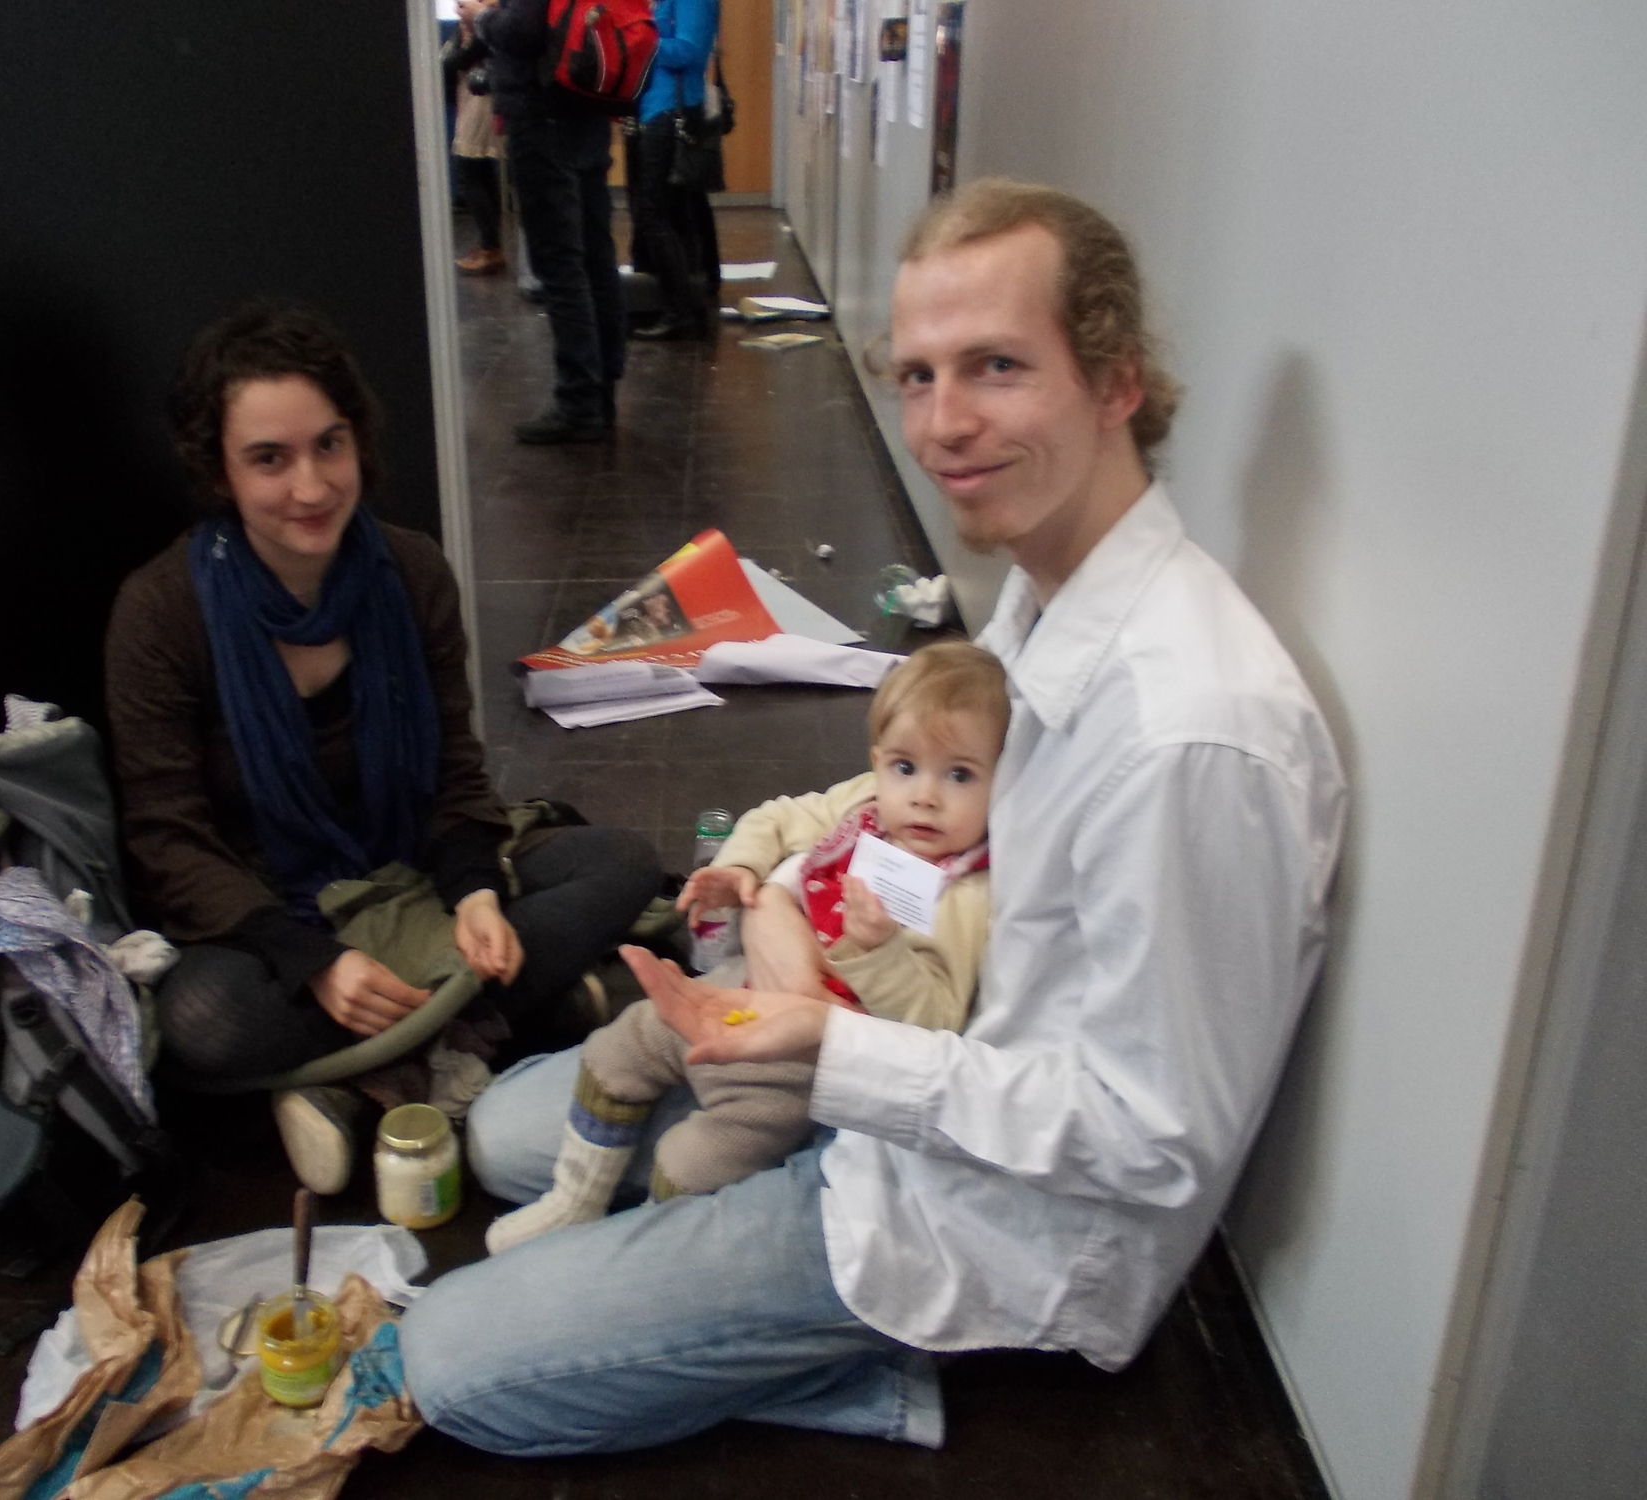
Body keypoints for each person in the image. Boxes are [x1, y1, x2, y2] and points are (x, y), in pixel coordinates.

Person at [398, 179, 1346, 1454]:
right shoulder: (1043, 607)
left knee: (450, 1368)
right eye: (915, 376)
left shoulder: (1191, 736)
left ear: (1115, 380)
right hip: (914, 1057)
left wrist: (825, 1051)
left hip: (987, 1220)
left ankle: (906, 1367)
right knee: (509, 1135)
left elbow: (1149, 1143)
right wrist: (786, 899)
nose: (941, 425)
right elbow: (913, 836)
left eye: (995, 367)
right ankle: (728, 1235)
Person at [104, 301, 662, 1192]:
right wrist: (314, 964)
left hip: (409, 873)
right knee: (201, 1020)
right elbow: (168, 841)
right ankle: (478, 1027)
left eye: (330, 444)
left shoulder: (411, 572)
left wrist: (476, 888)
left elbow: (454, 769)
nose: (313, 486)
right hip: (267, 914)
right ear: (219, 470)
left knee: (622, 863)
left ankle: (350, 1080)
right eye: (269, 458)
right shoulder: (161, 613)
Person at [485, 641, 1004, 1252]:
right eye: (905, 767)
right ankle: (573, 1202)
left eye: (960, 775)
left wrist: (882, 951)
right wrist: (742, 866)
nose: (925, 795)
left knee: (698, 1160)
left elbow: (936, 1025)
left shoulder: (966, 897)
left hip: (800, 1067)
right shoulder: (863, 803)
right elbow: (780, 817)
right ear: (877, 761)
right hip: (737, 990)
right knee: (621, 1045)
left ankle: (628, 1249)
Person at [459, 0, 627, 444]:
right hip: (586, 112)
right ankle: (601, 388)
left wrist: (483, 16)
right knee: (595, 258)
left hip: (542, 116)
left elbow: (523, 30)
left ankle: (578, 402)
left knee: (560, 263)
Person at [626, 0, 721, 341]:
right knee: (672, 213)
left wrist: (638, 39)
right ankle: (683, 302)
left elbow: (690, 52)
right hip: (654, 111)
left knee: (655, 213)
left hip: (671, 114)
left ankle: (678, 309)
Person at [446, 23, 507, 275]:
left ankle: (490, 246)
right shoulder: (472, 25)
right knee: (481, 170)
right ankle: (490, 245)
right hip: (470, 96)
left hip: (480, 99)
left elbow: (459, 59)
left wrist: (468, 32)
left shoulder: (484, 21)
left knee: (468, 169)